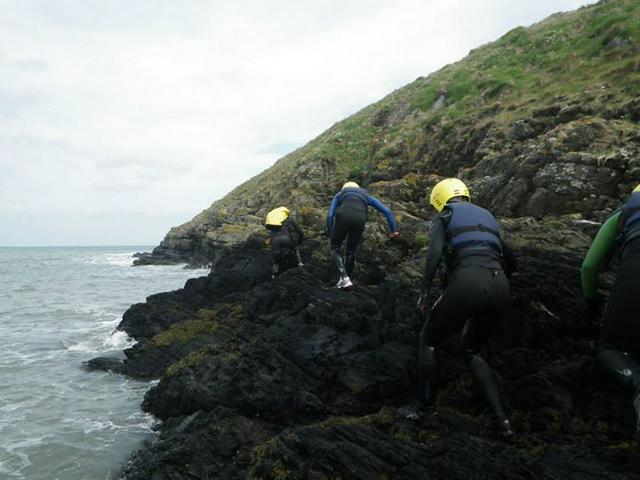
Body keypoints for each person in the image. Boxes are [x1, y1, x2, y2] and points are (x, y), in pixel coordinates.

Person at [416, 178, 517, 437]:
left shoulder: (445, 216)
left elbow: (434, 254)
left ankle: (424, 409)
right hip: (500, 285)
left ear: (439, 200)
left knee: (429, 340)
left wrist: (425, 290)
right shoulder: (487, 217)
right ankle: (502, 422)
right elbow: (511, 259)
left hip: (468, 282)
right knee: (472, 349)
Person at [581, 184, 640, 439]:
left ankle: (636, 382)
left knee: (610, 348)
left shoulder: (623, 215)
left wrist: (593, 304)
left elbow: (589, 267)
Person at [327, 181, 399, 289]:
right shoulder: (366, 196)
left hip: (343, 217)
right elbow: (387, 211)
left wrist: (330, 231)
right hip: (360, 219)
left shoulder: (340, 194)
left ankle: (344, 277)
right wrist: (393, 231)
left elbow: (330, 215)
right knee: (350, 252)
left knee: (335, 247)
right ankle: (345, 281)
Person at [265, 206, 304, 278]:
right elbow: (300, 232)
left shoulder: (273, 224)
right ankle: (300, 264)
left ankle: (274, 274)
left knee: (276, 260)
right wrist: (299, 242)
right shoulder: (289, 221)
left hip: (274, 241)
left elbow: (270, 235)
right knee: (296, 248)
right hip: (286, 238)